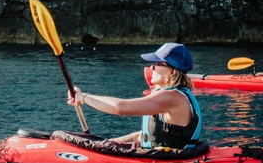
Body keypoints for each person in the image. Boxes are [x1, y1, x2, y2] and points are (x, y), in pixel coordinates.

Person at [69, 42, 203, 150]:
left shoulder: (172, 97)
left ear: (173, 71)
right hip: (159, 156)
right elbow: (142, 136)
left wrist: (84, 97)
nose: (151, 68)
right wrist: (105, 143)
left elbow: (120, 108)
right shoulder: (168, 94)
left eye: (157, 64)